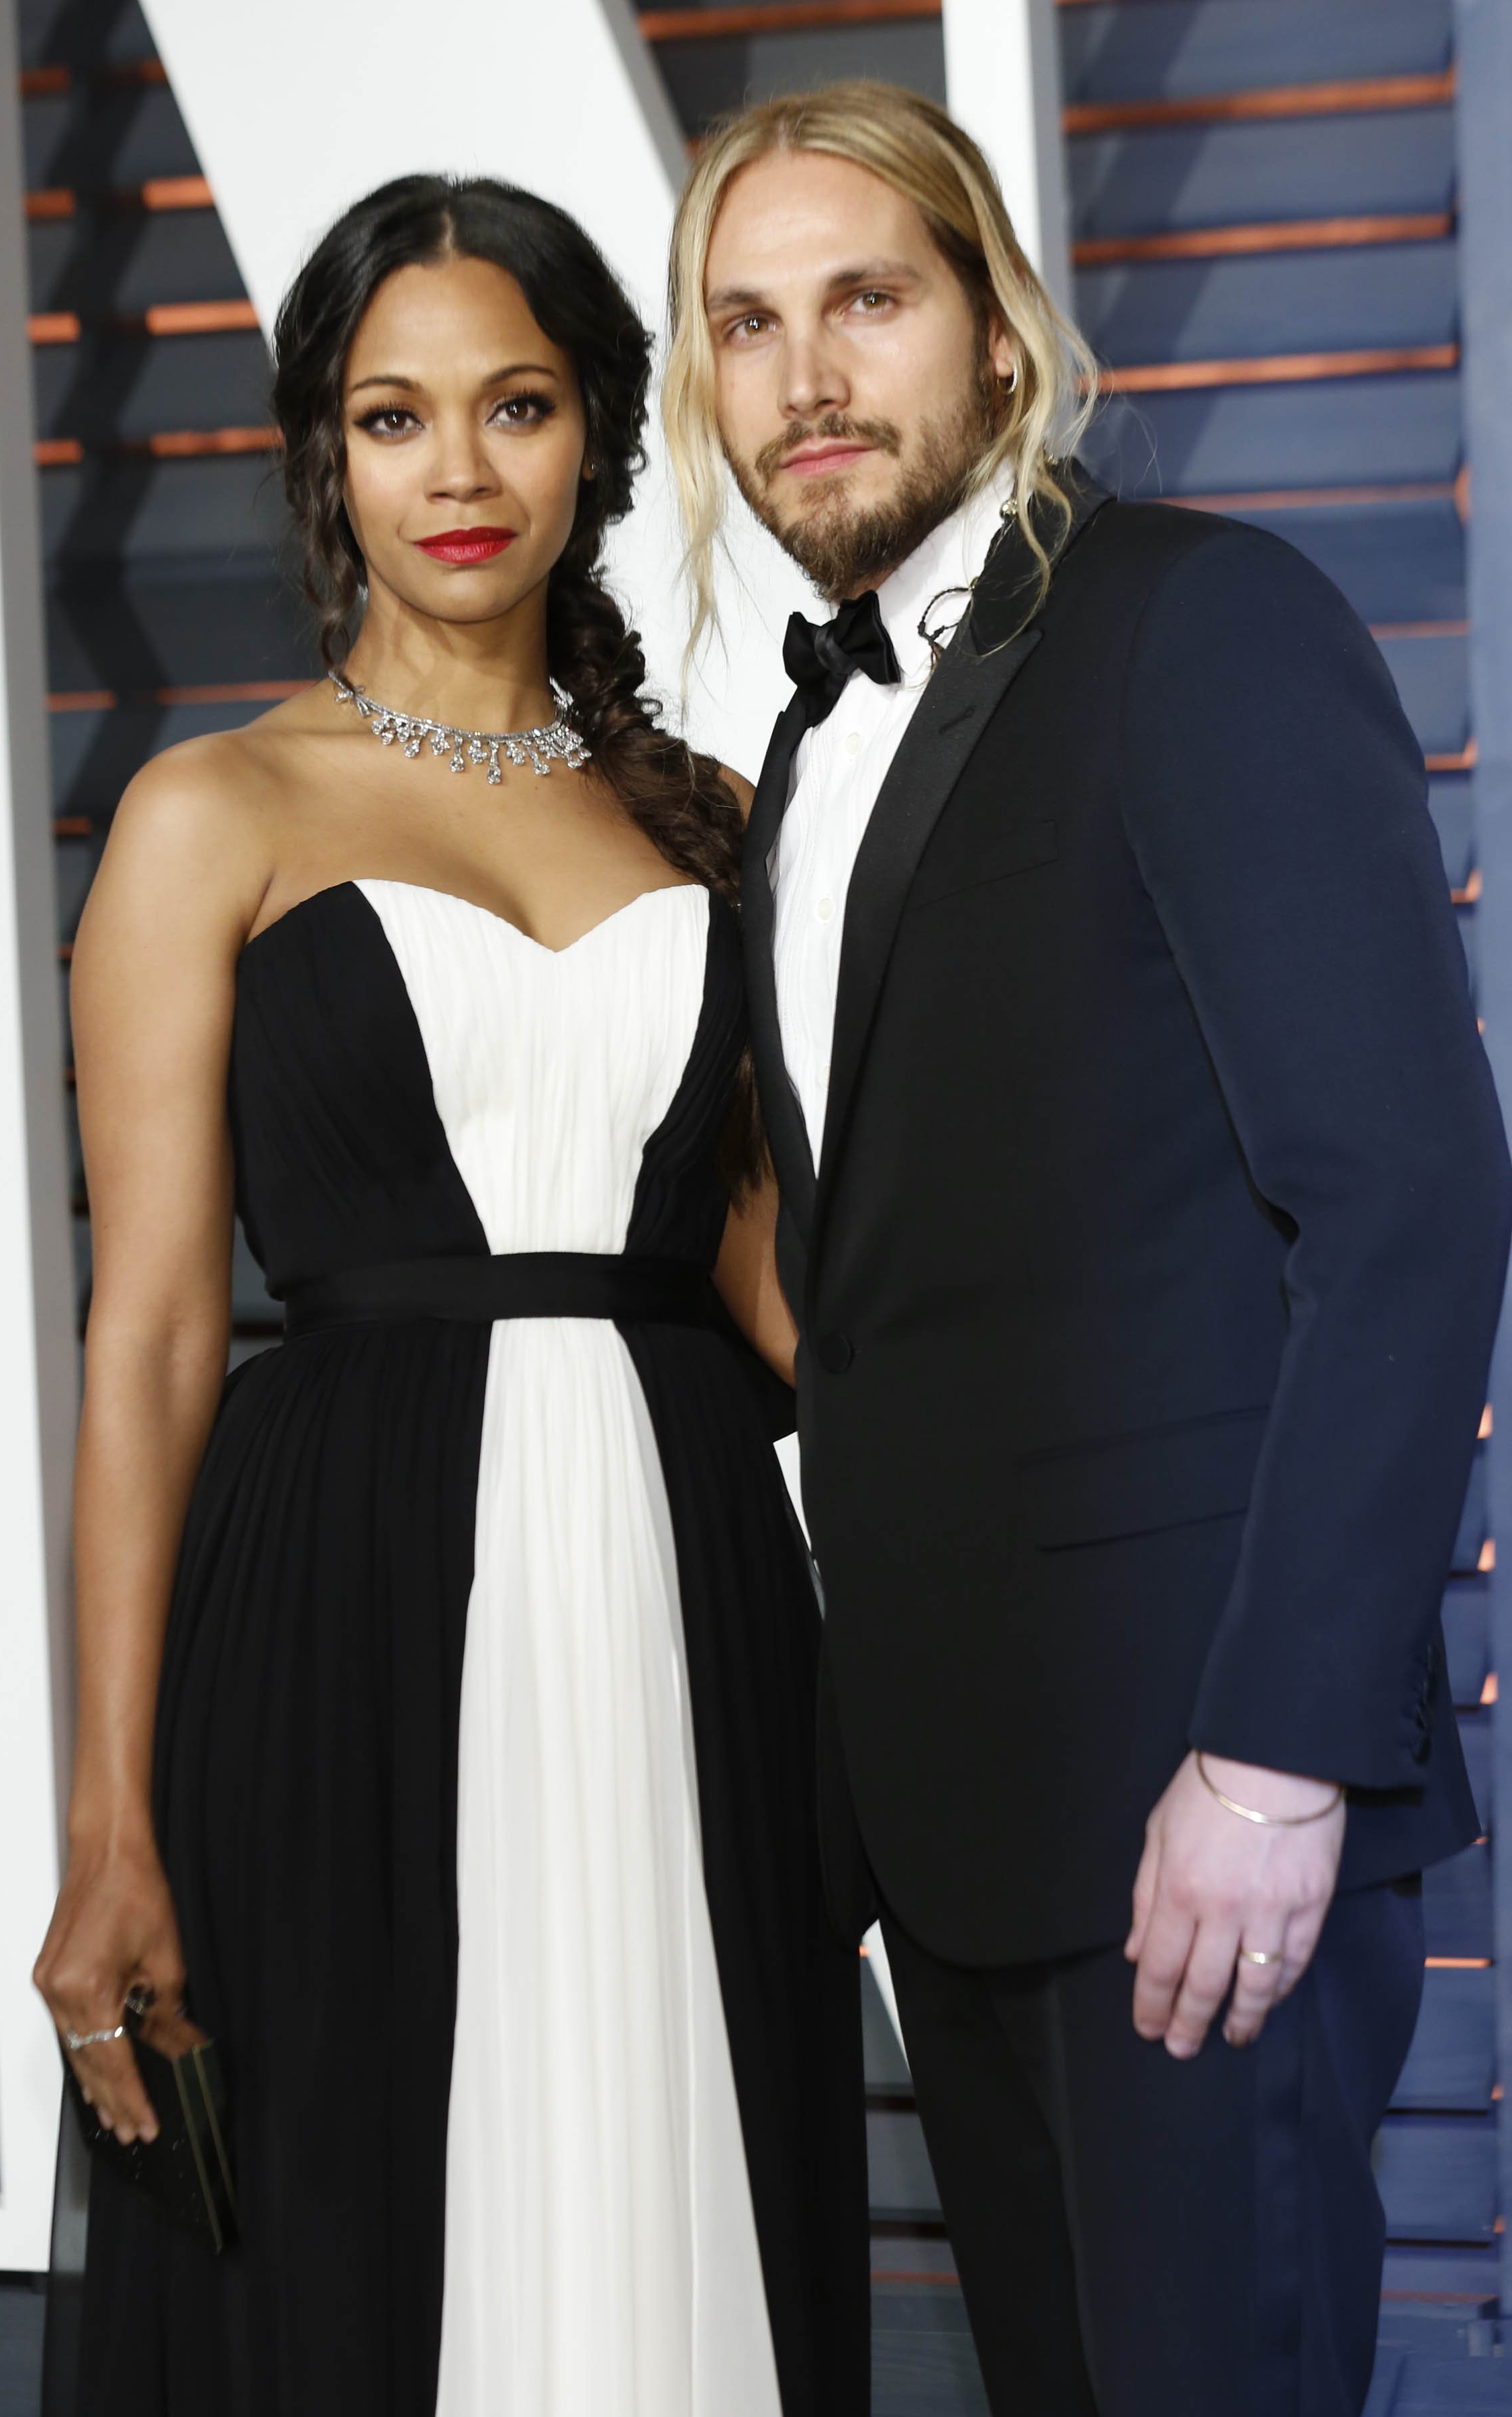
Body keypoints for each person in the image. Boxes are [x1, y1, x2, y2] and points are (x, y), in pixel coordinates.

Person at [663, 80, 1512, 2417]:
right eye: (747, 325)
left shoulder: (1197, 626)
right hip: (956, 1813)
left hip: (1195, 1806)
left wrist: (1270, 1759)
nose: (808, 377)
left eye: (868, 300)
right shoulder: (802, 755)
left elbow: (1409, 1202)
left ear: (1001, 339)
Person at [32, 173, 867, 2417]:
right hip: (339, 1610)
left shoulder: (709, 812)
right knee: (353, 2224)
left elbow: (788, 1278)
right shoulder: (213, 812)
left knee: (697, 2178)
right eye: (395, 420)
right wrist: (108, 1822)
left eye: (512, 406)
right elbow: (155, 1338)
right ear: (329, 453)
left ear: (598, 426)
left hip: (697, 1601)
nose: (459, 473)